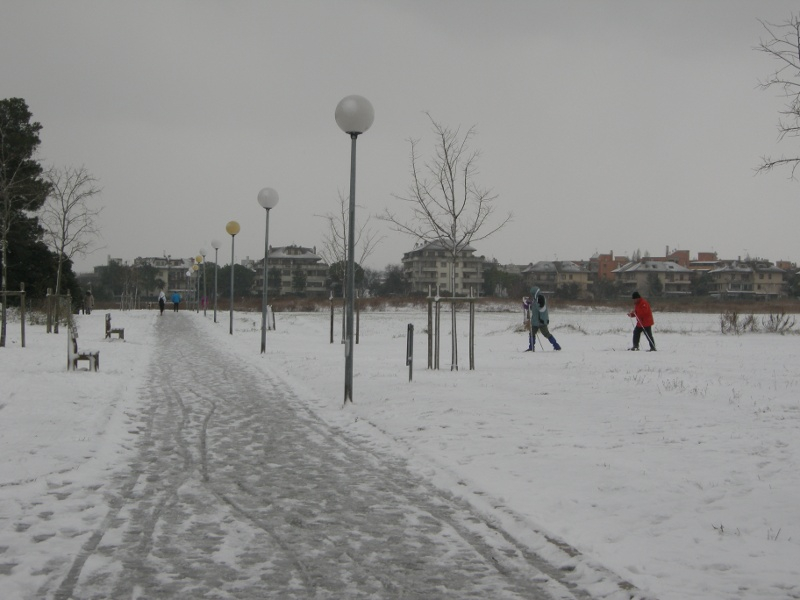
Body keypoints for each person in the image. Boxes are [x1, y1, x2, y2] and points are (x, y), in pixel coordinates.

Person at [522, 286, 561, 351]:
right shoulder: (535, 299)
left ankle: (556, 346)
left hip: (541, 321)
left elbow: (540, 307)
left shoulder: (541, 298)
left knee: (546, 334)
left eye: (532, 293)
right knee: (532, 333)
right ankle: (531, 347)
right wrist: (528, 306)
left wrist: (530, 304)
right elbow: (534, 309)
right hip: (535, 321)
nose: (531, 295)